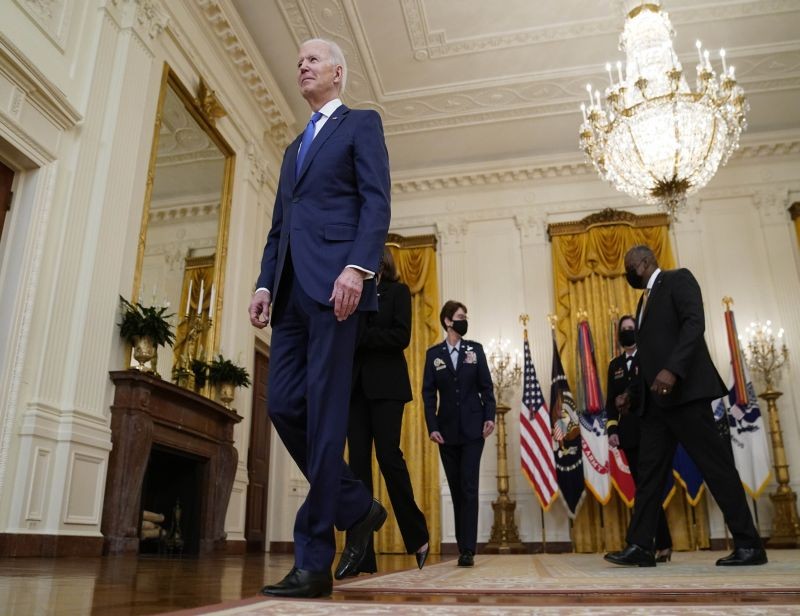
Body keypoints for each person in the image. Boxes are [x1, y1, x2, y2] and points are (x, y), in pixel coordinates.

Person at [248, 38, 391, 598]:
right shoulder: (291, 151)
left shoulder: (361, 124)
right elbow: (280, 226)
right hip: (288, 293)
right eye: (298, 60)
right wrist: (263, 282)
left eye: (313, 58)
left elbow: (376, 201)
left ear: (338, 71)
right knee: (283, 404)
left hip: (337, 288)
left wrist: (357, 267)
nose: (302, 65)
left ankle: (312, 562)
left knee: (328, 416)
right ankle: (357, 506)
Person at [605, 245, 766, 568]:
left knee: (715, 466)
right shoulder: (642, 302)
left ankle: (749, 545)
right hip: (654, 405)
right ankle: (640, 545)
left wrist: (674, 370)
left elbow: (694, 325)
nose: (627, 274)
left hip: (686, 396)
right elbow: (649, 358)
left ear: (644, 262)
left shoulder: (679, 280)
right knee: (649, 476)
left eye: (629, 267)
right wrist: (631, 394)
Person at [341, 247, 429, 576]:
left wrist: (362, 336)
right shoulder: (355, 292)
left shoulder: (398, 291)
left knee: (389, 459)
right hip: (355, 390)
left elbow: (400, 336)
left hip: (388, 388)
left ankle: (417, 536)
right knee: (358, 466)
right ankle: (361, 553)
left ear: (381, 262)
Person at [422, 300, 496, 567]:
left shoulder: (475, 350)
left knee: (469, 486)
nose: (465, 320)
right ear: (447, 321)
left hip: (474, 431)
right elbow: (428, 395)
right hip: (446, 433)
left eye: (466, 315)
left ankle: (467, 550)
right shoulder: (434, 355)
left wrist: (489, 417)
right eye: (460, 316)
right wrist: (432, 427)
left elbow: (487, 389)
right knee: (456, 489)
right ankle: (463, 545)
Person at [606, 314, 672, 562]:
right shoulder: (615, 365)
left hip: (651, 429)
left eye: (631, 328)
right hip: (630, 434)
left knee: (649, 488)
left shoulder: (649, 357)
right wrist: (613, 430)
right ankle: (658, 544)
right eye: (624, 329)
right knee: (644, 489)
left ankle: (659, 544)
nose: (627, 333)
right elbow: (611, 401)